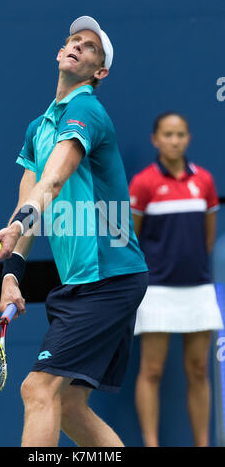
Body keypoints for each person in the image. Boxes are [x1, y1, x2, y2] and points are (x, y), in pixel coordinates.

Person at [0, 16, 148, 447]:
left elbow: (52, 182)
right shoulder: (37, 129)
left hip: (110, 277)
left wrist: (18, 223)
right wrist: (10, 278)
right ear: (60, 52)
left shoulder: (86, 109)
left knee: (37, 389)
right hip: (84, 282)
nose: (77, 46)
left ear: (100, 72)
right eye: (73, 40)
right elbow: (30, 203)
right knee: (70, 406)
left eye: (90, 47)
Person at [129, 112, 223, 447]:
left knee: (199, 370)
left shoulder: (205, 182)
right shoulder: (143, 183)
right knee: (152, 370)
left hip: (197, 288)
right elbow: (132, 238)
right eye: (168, 134)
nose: (174, 140)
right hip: (156, 290)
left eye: (180, 134)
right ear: (155, 139)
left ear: (188, 138)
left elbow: (208, 236)